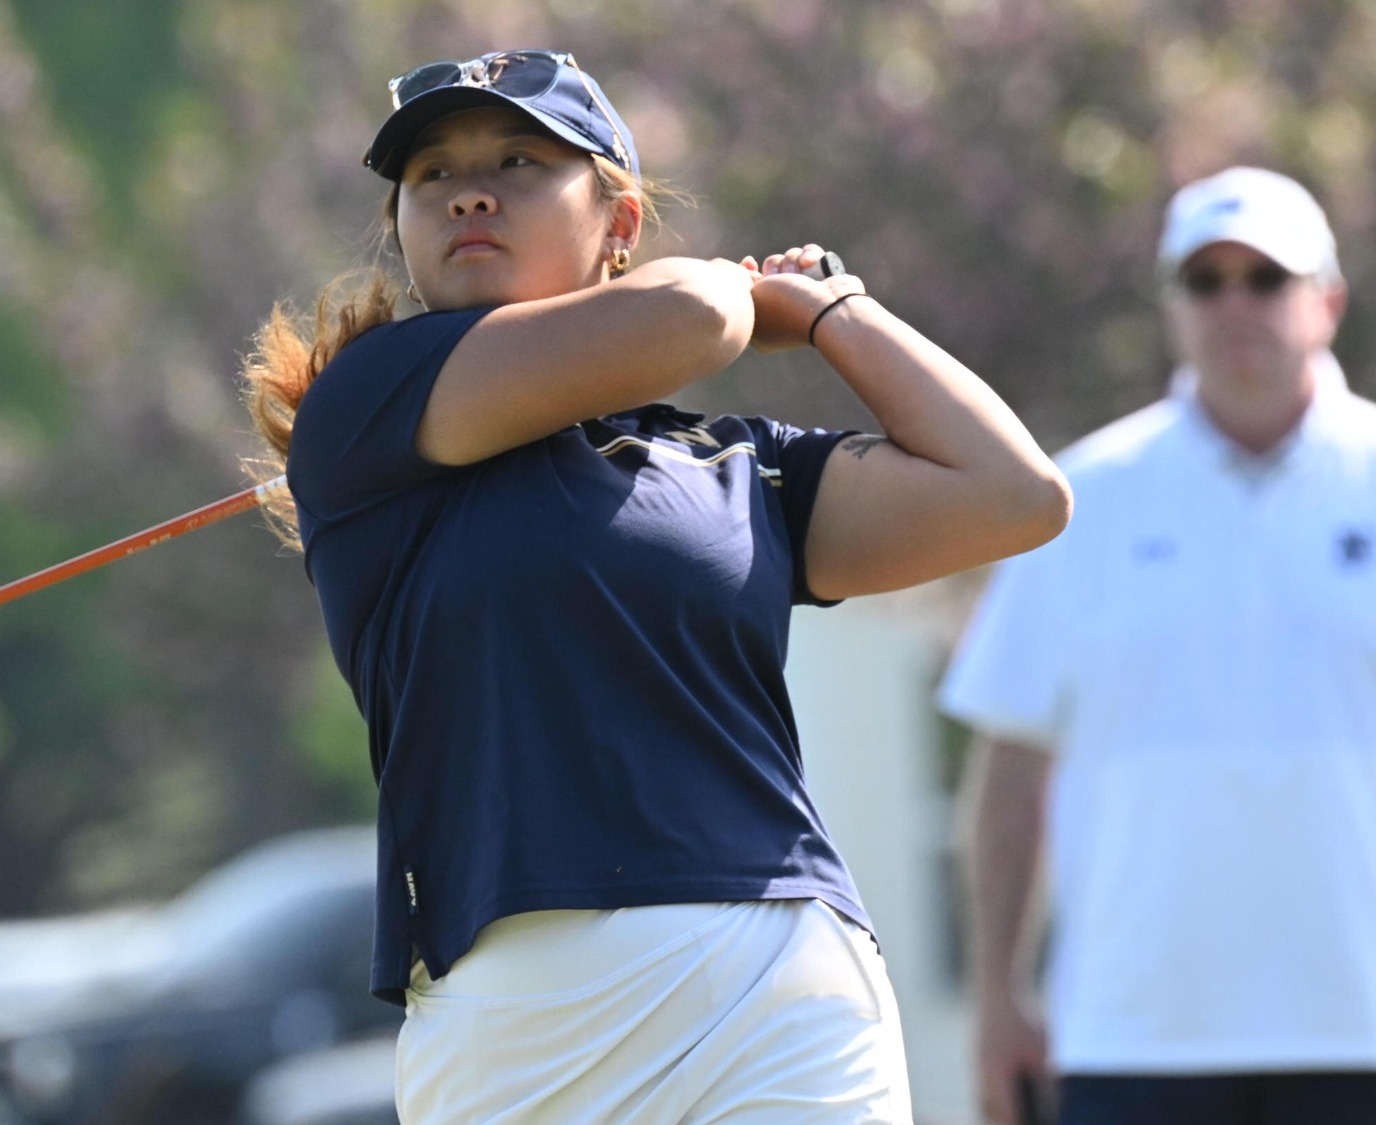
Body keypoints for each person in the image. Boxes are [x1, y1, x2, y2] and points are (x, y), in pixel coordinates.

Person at [239, 49, 1069, 1123]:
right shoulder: (369, 407)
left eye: (521, 162)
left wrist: (831, 310)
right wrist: (738, 294)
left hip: (777, 975)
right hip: (520, 1014)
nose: (469, 190)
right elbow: (686, 323)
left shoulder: (735, 465)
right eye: (431, 173)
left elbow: (1013, 495)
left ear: (617, 219)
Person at [941, 165, 1376, 1125]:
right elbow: (1011, 769)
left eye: (1264, 278)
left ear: (1328, 301)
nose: (1235, 304)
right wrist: (997, 997)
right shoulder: (1077, 497)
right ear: (1171, 306)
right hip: (1130, 1038)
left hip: (1362, 1030)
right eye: (1203, 280)